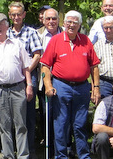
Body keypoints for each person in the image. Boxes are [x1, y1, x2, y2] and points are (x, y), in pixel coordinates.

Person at [41, 10, 100, 159]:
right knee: (61, 124)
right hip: (61, 86)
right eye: (69, 22)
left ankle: (84, 155)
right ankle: (61, 156)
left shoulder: (86, 41)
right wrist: (48, 85)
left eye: (75, 22)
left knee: (80, 124)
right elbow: (45, 66)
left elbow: (94, 67)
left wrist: (96, 88)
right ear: (64, 23)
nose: (71, 25)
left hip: (82, 87)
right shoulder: (55, 40)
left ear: (79, 25)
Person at [0, 13, 33, 159]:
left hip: (18, 88)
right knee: (3, 126)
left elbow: (26, 67)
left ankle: (23, 156)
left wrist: (29, 86)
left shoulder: (17, 44)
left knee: (21, 125)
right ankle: (8, 155)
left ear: (7, 26)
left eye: (0, 25)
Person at [7, 2, 42, 158]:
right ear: (9, 15)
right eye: (13, 15)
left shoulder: (31, 32)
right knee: (11, 116)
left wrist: (26, 70)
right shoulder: (5, 33)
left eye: (19, 14)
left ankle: (30, 148)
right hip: (11, 78)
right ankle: (11, 148)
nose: (16, 17)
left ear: (24, 15)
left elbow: (37, 54)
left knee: (28, 115)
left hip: (29, 78)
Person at [37, 8, 63, 157]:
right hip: (43, 80)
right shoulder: (38, 34)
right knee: (46, 114)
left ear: (58, 19)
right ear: (43, 20)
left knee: (63, 115)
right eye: (48, 19)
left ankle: (65, 146)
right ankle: (50, 146)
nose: (51, 22)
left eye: (54, 18)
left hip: (63, 79)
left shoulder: (66, 32)